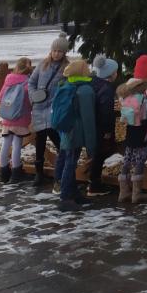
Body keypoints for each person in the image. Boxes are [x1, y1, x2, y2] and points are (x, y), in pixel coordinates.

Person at [54, 58, 97, 212]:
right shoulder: (84, 90)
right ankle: (65, 197)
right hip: (75, 131)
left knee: (68, 159)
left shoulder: (65, 84)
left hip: (64, 129)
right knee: (70, 162)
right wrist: (91, 147)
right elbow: (88, 119)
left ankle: (73, 194)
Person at [28, 34, 69, 189]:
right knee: (40, 140)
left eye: (60, 51)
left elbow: (68, 87)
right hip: (39, 108)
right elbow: (31, 82)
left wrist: (60, 101)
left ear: (64, 53)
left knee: (58, 139)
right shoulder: (42, 64)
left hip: (54, 109)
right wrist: (33, 96)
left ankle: (63, 170)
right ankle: (39, 173)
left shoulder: (66, 68)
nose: (56, 53)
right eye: (54, 50)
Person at [116, 54, 147, 205]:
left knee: (127, 158)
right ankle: (136, 193)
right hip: (144, 128)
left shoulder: (126, 89)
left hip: (130, 128)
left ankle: (123, 192)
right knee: (140, 159)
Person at [86, 54, 119, 196]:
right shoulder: (106, 89)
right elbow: (106, 112)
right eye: (115, 72)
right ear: (110, 74)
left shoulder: (92, 83)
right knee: (100, 154)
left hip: (90, 125)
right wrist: (108, 130)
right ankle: (94, 184)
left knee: (95, 154)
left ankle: (92, 180)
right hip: (101, 127)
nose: (117, 74)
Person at [0, 57, 33, 184]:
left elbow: (0, 97)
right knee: (17, 145)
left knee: (6, 144)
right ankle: (16, 174)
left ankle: (4, 173)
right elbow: (30, 101)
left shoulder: (9, 79)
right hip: (20, 117)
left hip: (7, 116)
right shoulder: (27, 81)